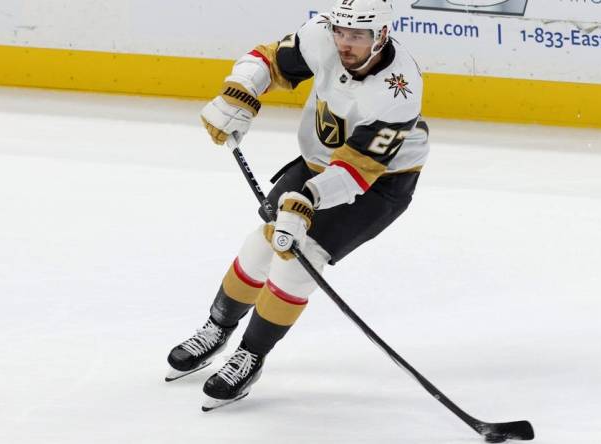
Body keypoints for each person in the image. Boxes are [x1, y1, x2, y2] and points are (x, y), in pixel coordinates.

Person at [165, 0, 430, 411]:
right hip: (319, 159)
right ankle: (217, 328)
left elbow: (360, 170)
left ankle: (251, 354)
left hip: (380, 183)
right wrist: (241, 92)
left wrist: (307, 200)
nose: (344, 43)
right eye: (341, 31)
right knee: (260, 246)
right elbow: (269, 61)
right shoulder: (321, 35)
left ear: (380, 36)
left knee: (298, 256)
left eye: (357, 36)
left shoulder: (400, 89)